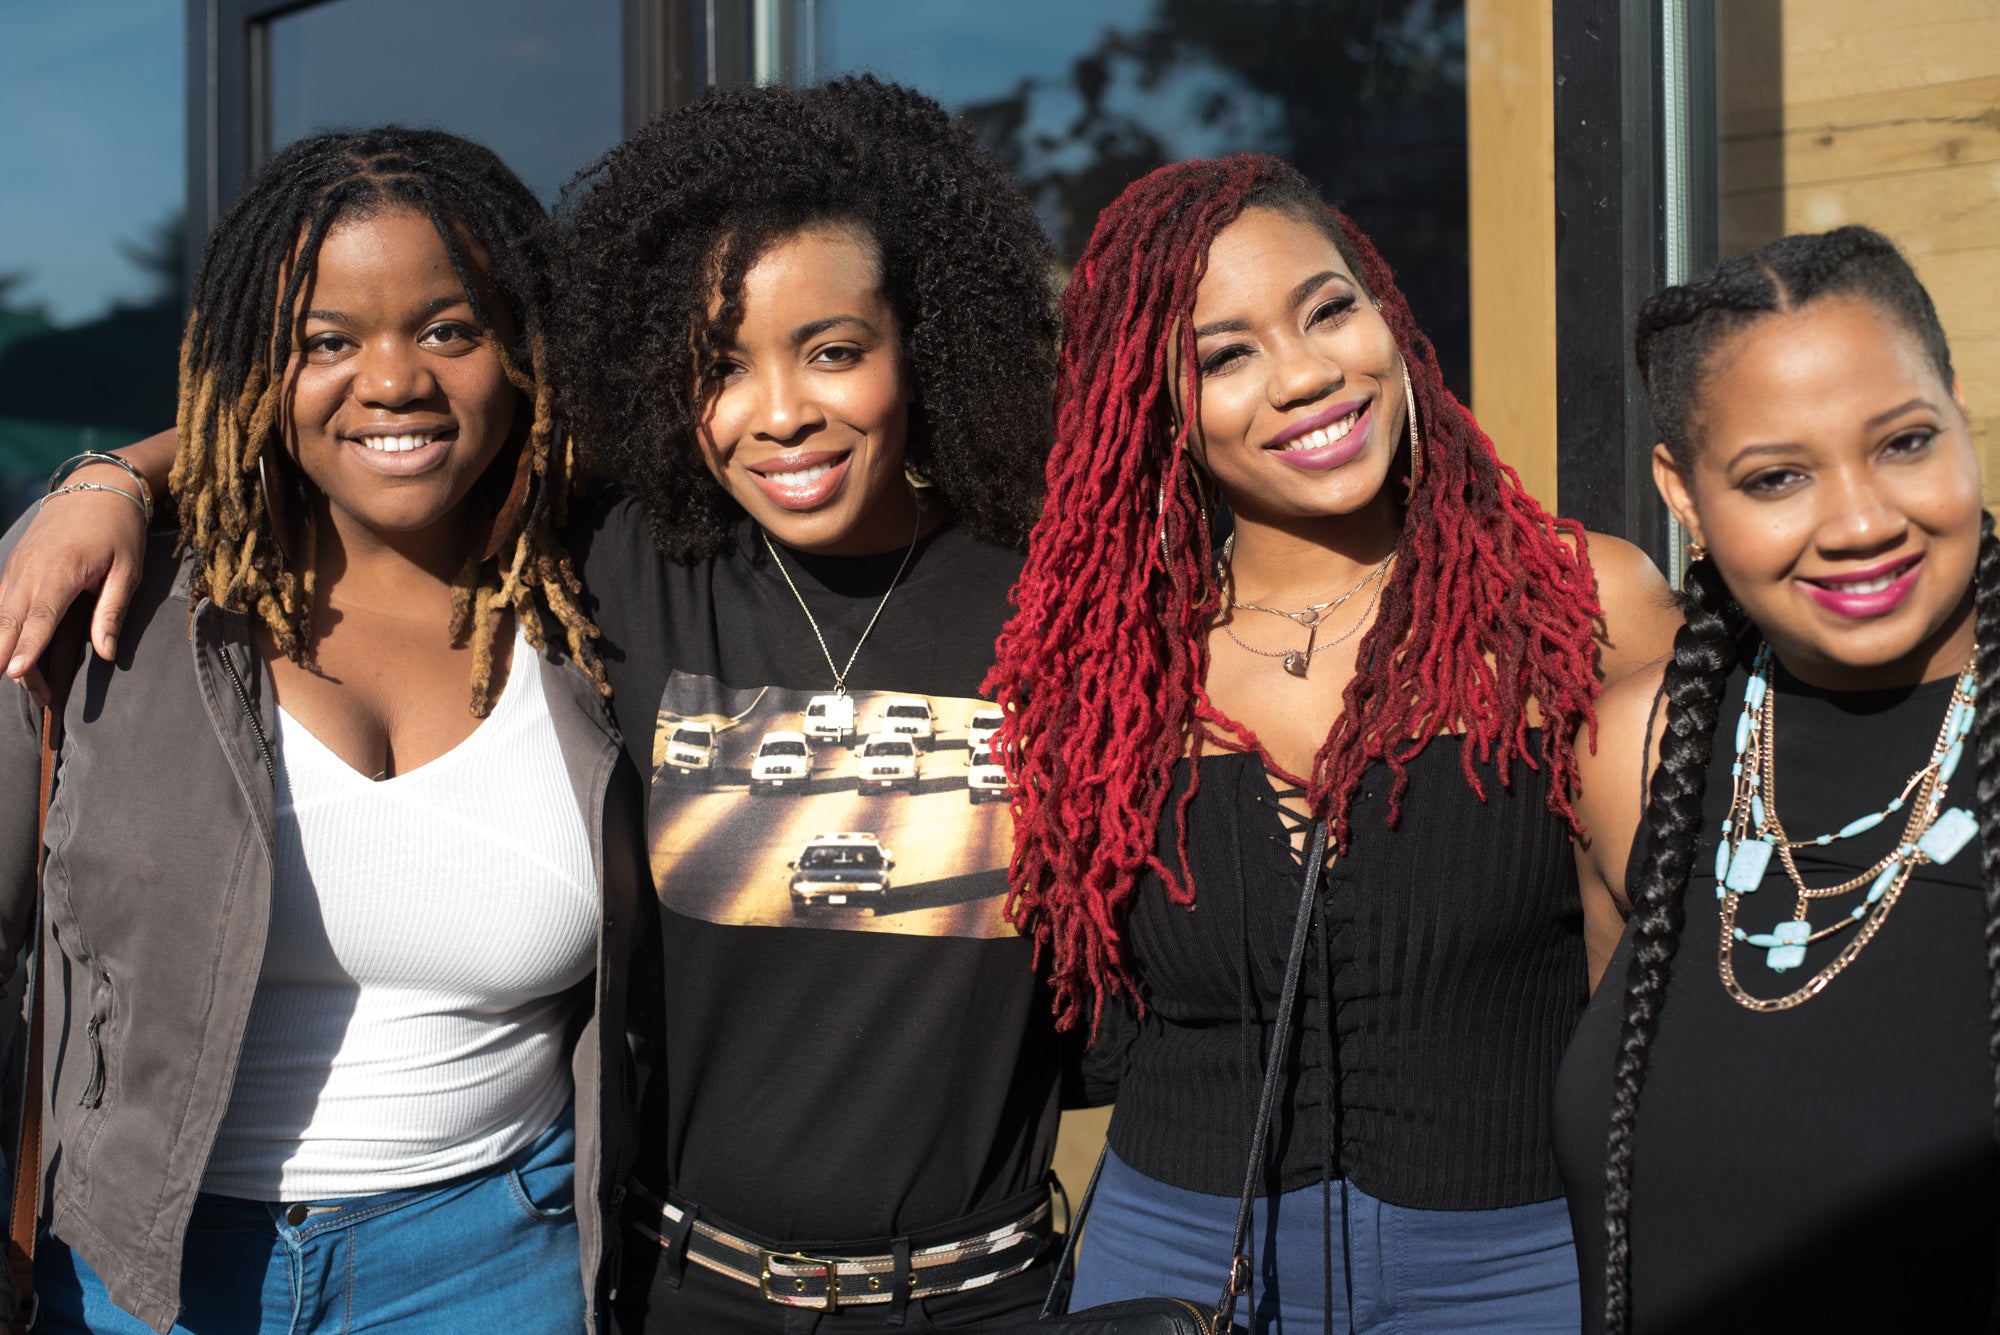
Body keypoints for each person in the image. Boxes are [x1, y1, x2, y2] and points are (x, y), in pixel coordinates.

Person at [984, 153, 1680, 1332]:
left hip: (1517, 1275)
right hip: (1171, 1271)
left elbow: (1682, 990)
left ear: (1386, 315)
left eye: (1326, 310)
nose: (1305, 374)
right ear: (1155, 409)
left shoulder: (1576, 607)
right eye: (1224, 356)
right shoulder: (1112, 674)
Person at [0, 126, 644, 1335]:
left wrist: (118, 466)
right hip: (142, 1281)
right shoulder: (113, 609)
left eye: (448, 330)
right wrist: (105, 482)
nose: (394, 381)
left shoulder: (602, 601)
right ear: (253, 370)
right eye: (324, 342)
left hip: (498, 1266)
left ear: (524, 353)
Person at [550, 78, 1079, 1332]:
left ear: (921, 343)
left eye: (833, 352)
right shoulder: (625, 569)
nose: (781, 413)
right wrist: (116, 482)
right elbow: (382, 430)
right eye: (721, 368)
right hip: (689, 1298)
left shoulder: (1054, 594)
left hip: (984, 1303)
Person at [1553, 226, 2000, 1333]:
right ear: (1683, 496)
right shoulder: (1638, 748)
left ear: (1957, 414)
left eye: (1903, 442)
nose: (1861, 522)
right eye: (1777, 477)